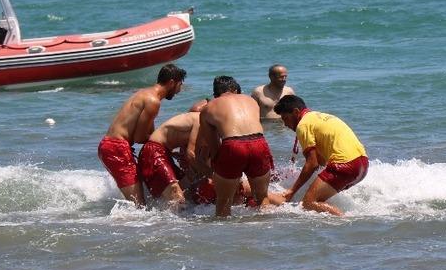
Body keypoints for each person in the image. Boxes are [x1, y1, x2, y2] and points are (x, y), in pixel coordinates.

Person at [98, 63, 186, 206]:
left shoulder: (145, 94)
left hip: (111, 146)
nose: (179, 90)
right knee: (138, 205)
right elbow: (140, 137)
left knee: (140, 202)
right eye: (179, 85)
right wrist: (163, 145)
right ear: (171, 83)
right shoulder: (153, 101)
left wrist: (167, 149)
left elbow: (149, 133)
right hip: (117, 148)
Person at [274, 95, 368, 216]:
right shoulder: (319, 117)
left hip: (344, 165)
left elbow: (312, 163)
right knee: (318, 199)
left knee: (308, 203)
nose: (285, 124)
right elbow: (320, 161)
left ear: (296, 112)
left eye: (285, 118)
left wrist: (292, 190)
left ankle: (346, 222)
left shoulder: (303, 125)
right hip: (362, 164)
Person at [198, 76, 273, 216]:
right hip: (259, 142)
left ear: (215, 94)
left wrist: (218, 169)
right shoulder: (251, 101)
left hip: (232, 145)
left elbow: (214, 146)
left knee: (224, 202)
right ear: (234, 89)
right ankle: (268, 233)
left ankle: (226, 237)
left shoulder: (209, 108)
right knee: (262, 197)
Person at [138, 99, 208, 207]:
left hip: (162, 153)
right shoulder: (199, 120)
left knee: (187, 194)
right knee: (179, 200)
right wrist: (210, 173)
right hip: (154, 151)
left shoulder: (200, 125)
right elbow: (191, 154)